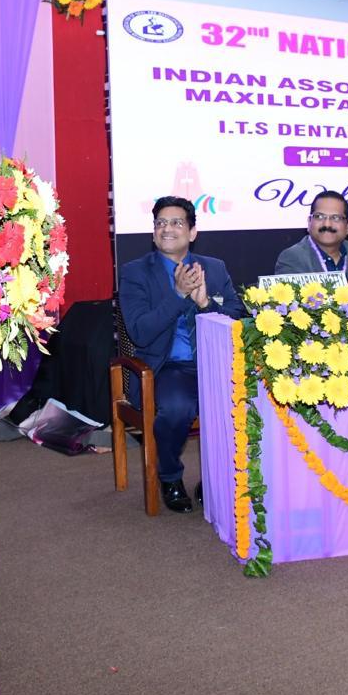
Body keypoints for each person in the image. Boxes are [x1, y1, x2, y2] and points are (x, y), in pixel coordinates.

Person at [118, 196, 245, 513]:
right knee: (178, 407)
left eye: (176, 223)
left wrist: (206, 305)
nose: (167, 229)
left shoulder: (214, 268)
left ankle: (213, 479)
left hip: (214, 364)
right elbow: (140, 332)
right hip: (166, 367)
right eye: (160, 223)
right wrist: (178, 295)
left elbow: (239, 317)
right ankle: (170, 475)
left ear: (192, 232)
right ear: (153, 233)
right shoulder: (136, 273)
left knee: (255, 401)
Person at [274, 190, 348, 286]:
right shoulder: (292, 258)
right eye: (319, 217)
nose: (327, 224)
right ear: (309, 222)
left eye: (336, 218)